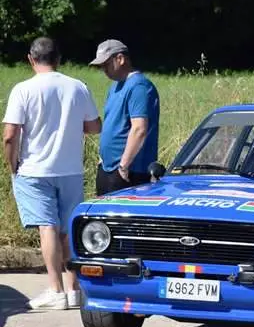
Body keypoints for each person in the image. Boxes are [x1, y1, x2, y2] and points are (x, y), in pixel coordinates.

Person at [2, 37, 102, 310]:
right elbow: (94, 127)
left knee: (47, 227)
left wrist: (13, 165)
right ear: (58, 59)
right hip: (70, 168)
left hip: (34, 169)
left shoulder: (23, 90)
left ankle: (55, 289)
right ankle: (73, 289)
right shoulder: (77, 87)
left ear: (31, 59)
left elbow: (10, 135)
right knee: (69, 229)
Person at [89, 39, 160, 195]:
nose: (104, 70)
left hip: (129, 171)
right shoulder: (114, 86)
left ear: (120, 59)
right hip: (108, 167)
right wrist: (102, 160)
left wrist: (124, 165)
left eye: (106, 64)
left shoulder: (139, 86)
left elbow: (139, 129)